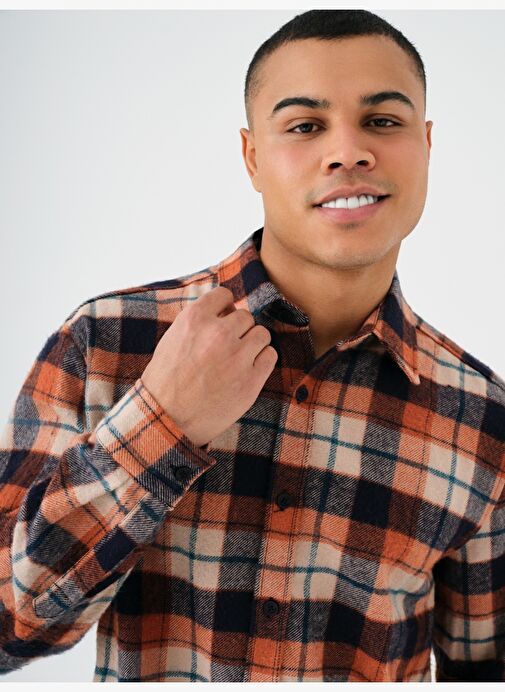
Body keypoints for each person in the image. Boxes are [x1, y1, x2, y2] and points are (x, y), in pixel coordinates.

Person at [0, 9, 503, 683]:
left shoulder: (481, 418)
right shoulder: (108, 342)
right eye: (304, 126)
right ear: (252, 157)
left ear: (427, 144)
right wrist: (162, 421)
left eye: (383, 121)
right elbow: (7, 626)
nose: (348, 151)